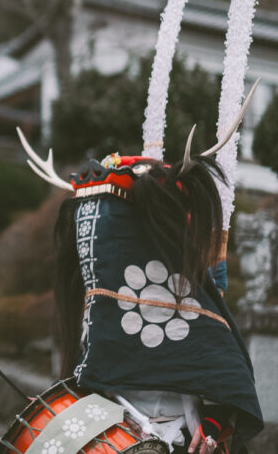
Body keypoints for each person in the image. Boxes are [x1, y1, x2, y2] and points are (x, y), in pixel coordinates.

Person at [52, 150, 262, 454]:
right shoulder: (103, 297)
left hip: (177, 439)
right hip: (106, 436)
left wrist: (212, 426)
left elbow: (225, 379)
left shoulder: (189, 299)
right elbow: (86, 373)